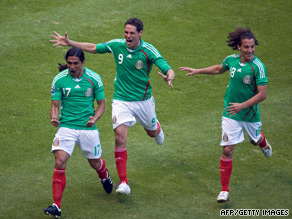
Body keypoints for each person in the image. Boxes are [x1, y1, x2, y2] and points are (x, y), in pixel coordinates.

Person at [50, 18, 175, 195]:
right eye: (126, 32)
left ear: (140, 33)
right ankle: (123, 182)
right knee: (119, 137)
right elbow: (94, 47)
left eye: (132, 33)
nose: (128, 36)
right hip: (121, 100)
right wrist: (70, 42)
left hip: (143, 101)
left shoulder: (148, 50)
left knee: (152, 133)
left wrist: (169, 76)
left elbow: (166, 66)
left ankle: (156, 128)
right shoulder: (117, 45)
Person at [180, 27, 272, 203]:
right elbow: (218, 69)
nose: (250, 50)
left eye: (252, 47)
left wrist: (242, 106)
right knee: (228, 149)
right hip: (230, 113)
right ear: (238, 47)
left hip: (250, 115)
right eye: (246, 47)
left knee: (254, 140)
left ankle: (262, 141)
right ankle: (224, 190)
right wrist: (198, 70)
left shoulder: (258, 67)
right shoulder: (232, 60)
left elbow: (262, 94)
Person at [44, 47, 113, 218]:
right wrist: (54, 117)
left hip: (87, 128)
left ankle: (104, 174)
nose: (72, 67)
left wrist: (95, 119)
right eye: (69, 63)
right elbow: (55, 105)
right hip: (66, 126)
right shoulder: (60, 79)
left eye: (75, 63)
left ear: (83, 62)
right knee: (60, 161)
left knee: (94, 163)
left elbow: (102, 104)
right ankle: (56, 206)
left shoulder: (94, 78)